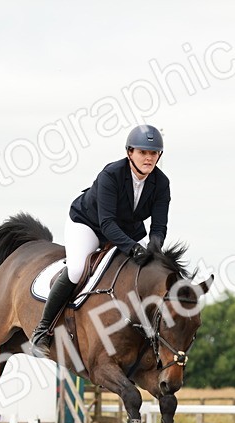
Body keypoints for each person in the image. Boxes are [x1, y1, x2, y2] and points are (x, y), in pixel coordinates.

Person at [30, 124, 171, 358]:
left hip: (126, 230)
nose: (148, 158)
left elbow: (158, 226)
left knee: (140, 272)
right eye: (142, 152)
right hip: (89, 224)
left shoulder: (161, 183)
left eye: (153, 153)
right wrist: (133, 248)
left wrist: (154, 249)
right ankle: (43, 330)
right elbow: (107, 223)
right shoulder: (111, 175)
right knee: (77, 270)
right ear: (129, 153)